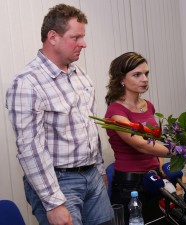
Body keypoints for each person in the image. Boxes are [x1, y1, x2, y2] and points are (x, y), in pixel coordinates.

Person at [6, 4, 113, 225]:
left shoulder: (81, 76)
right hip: (59, 183)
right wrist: (53, 203)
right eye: (76, 37)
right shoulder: (27, 83)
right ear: (52, 37)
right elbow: (30, 149)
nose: (84, 43)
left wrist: (100, 171)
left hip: (92, 175)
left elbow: (89, 129)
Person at [104, 52, 172, 224]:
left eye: (146, 74)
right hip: (129, 186)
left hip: (153, 179)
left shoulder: (148, 106)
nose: (145, 79)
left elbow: (154, 140)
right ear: (121, 79)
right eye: (137, 75)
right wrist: (181, 152)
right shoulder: (115, 111)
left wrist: (160, 165)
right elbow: (141, 145)